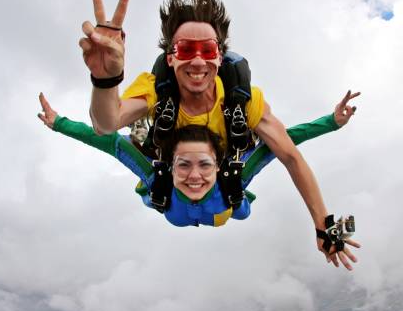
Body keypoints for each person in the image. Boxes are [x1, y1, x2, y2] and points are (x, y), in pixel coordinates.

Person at [77, 0, 360, 266]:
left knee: (236, 206)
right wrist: (106, 80)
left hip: (225, 175)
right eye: (186, 49)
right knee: (162, 196)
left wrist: (325, 226)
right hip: (178, 172)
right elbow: (106, 124)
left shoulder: (243, 101)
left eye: (208, 49)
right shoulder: (156, 90)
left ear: (219, 57)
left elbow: (289, 155)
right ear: (171, 57)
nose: (198, 60)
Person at [37, 93, 360, 269]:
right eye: (184, 165)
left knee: (240, 207)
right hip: (179, 209)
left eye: (205, 165)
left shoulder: (233, 176)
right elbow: (107, 141)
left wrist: (331, 122)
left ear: (218, 166)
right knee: (156, 191)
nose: (194, 176)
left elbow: (285, 143)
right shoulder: (157, 175)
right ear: (170, 164)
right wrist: (60, 123)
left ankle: (218, 173)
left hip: (225, 208)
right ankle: (150, 138)